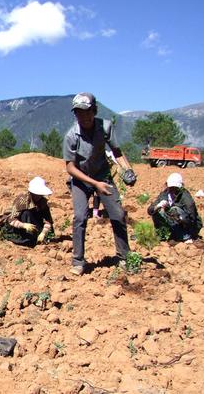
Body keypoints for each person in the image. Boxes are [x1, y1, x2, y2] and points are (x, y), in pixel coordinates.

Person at [63, 92, 136, 275]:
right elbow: (70, 168)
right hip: (81, 179)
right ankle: (78, 262)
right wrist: (94, 184)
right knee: (80, 217)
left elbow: (117, 152)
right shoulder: (72, 136)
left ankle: (124, 257)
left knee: (118, 215)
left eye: (87, 112)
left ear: (94, 111)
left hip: (103, 176)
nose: (83, 116)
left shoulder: (105, 127)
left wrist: (127, 169)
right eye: (79, 113)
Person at [0, 177, 54, 247]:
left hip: (34, 224)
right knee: (26, 213)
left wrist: (43, 233)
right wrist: (23, 225)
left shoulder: (43, 202)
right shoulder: (22, 200)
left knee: (48, 233)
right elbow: (12, 220)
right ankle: (27, 238)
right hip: (18, 225)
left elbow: (48, 220)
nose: (38, 196)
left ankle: (36, 238)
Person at [148, 173, 202, 242]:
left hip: (187, 226)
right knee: (157, 212)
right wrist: (157, 206)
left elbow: (192, 218)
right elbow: (150, 210)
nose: (172, 189)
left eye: (174, 187)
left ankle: (185, 236)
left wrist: (192, 234)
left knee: (174, 210)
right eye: (170, 187)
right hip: (173, 225)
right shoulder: (165, 194)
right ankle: (163, 235)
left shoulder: (185, 197)